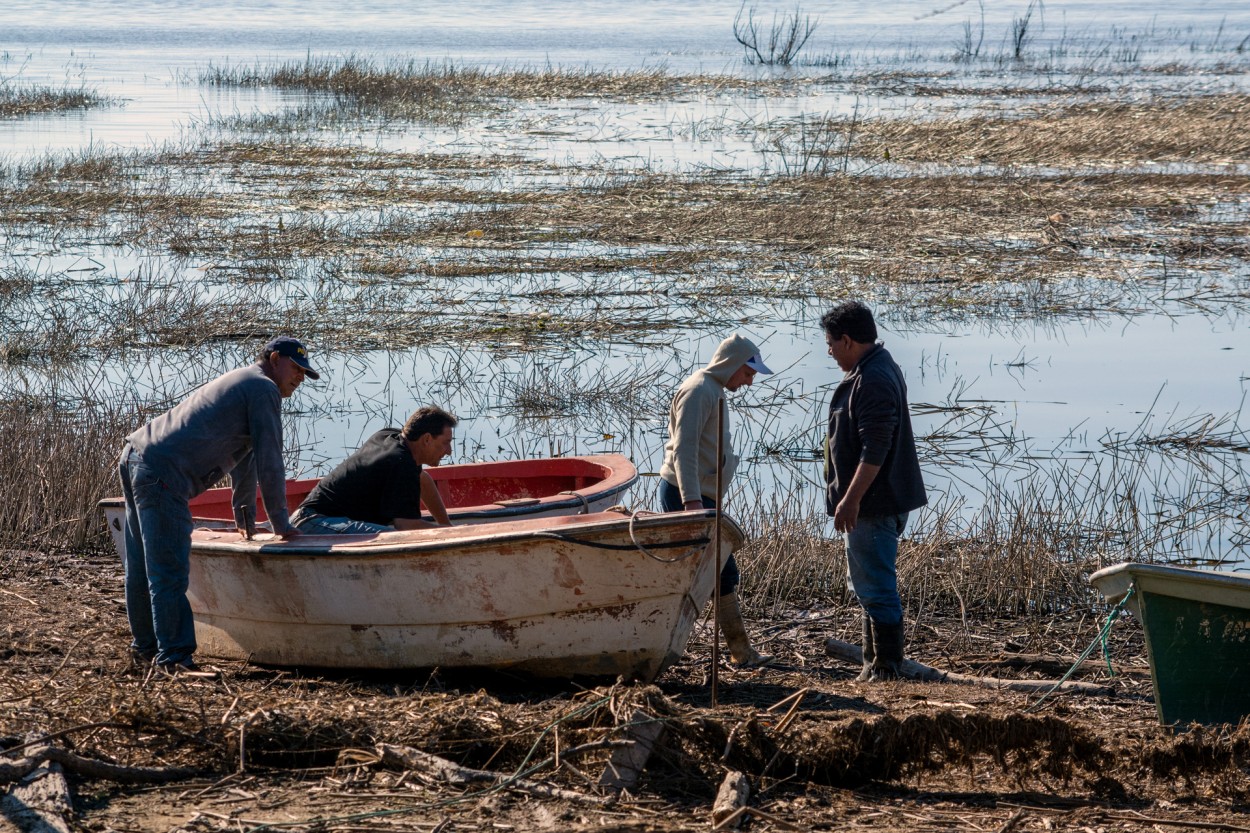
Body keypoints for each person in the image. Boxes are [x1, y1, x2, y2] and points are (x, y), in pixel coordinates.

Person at [119, 336, 318, 676]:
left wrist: (245, 515)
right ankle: (174, 660)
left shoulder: (247, 383)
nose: (300, 377)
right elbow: (271, 461)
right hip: (163, 473)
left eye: (305, 372)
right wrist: (281, 524)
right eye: (296, 369)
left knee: (141, 569)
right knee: (167, 571)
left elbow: (248, 457)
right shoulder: (263, 389)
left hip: (136, 457)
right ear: (273, 359)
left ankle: (145, 653)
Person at [821, 301, 926, 681]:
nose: (828, 351)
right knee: (868, 583)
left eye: (830, 343)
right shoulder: (875, 368)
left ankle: (885, 669)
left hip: (875, 503)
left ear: (847, 340)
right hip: (880, 500)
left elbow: (876, 448)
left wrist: (851, 500)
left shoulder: (874, 378)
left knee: (876, 586)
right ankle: (873, 665)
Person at [659, 333, 773, 668]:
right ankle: (740, 651)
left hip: (700, 493)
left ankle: (740, 650)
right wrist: (692, 502)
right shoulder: (698, 391)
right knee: (719, 571)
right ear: (733, 365)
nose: (749, 382)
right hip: (686, 494)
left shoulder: (713, 390)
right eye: (748, 374)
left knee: (718, 571)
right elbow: (684, 450)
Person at [290, 406, 457, 534]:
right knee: (392, 539)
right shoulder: (401, 462)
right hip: (314, 523)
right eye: (445, 442)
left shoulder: (392, 437)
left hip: (309, 518)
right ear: (427, 439)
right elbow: (406, 526)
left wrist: (447, 526)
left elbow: (422, 479)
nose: (449, 450)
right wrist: (451, 536)